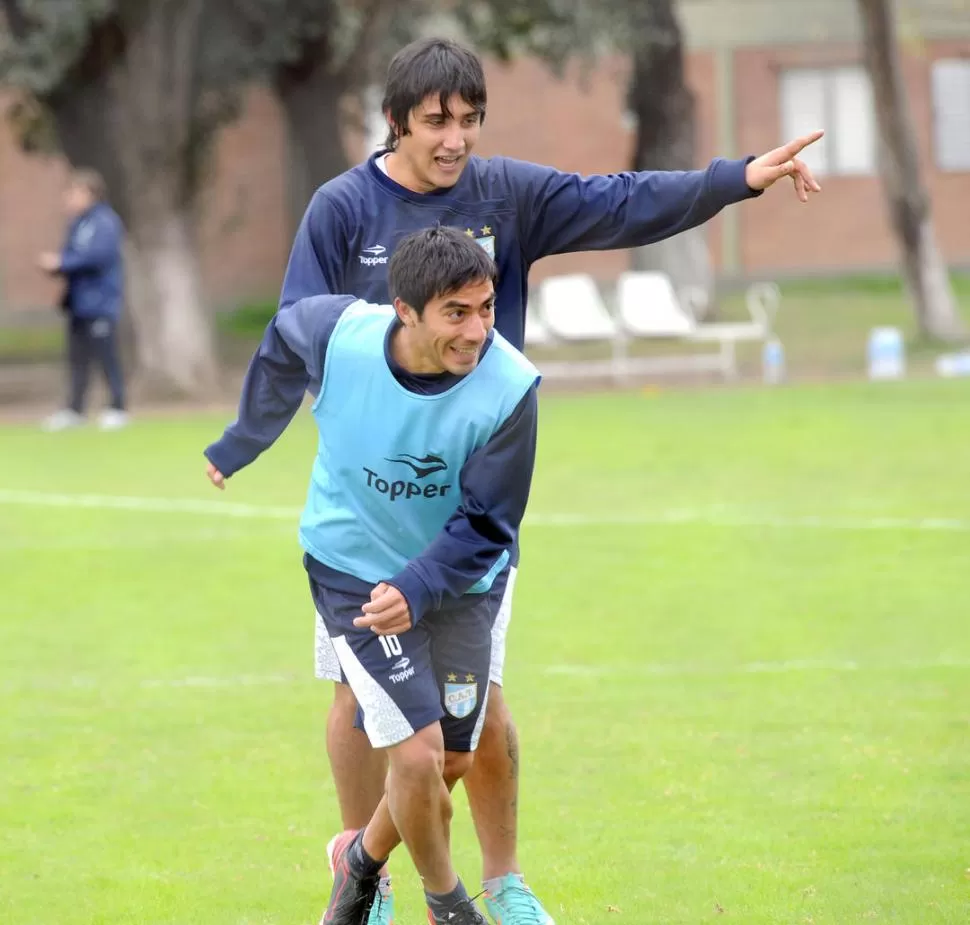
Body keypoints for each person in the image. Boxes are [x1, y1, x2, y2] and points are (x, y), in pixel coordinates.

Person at [279, 37, 823, 925]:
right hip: (368, 506)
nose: (454, 139)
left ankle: (495, 878)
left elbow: (624, 203)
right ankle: (367, 875)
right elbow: (299, 325)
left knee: (478, 705)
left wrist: (737, 178)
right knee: (356, 693)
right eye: (435, 122)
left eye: (467, 120)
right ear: (395, 122)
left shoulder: (508, 195)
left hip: (477, 502)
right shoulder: (341, 208)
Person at [204, 226, 540, 925]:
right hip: (351, 567)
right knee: (416, 759)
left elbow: (487, 525)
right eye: (457, 312)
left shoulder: (510, 388)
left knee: (450, 758)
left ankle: (359, 863)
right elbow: (280, 341)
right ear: (405, 310)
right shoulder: (339, 334)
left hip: (460, 584)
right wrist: (246, 437)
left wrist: (417, 588)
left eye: (485, 309)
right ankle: (451, 906)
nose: (478, 330)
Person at [37, 168, 128, 432]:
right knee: (77, 359)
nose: (69, 199)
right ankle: (75, 409)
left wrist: (62, 262)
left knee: (106, 356)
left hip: (100, 302)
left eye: (74, 193)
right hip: (78, 304)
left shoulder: (105, 222)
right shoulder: (77, 223)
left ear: (90, 194)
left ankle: (118, 407)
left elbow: (97, 257)